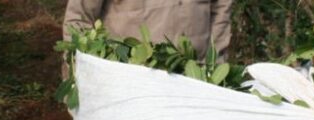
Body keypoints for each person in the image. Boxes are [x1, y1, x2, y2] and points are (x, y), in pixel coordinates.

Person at [62, 0, 233, 61]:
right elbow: (78, 19)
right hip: (131, 85)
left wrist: (214, 62)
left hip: (195, 81)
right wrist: (81, 82)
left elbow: (221, 9)